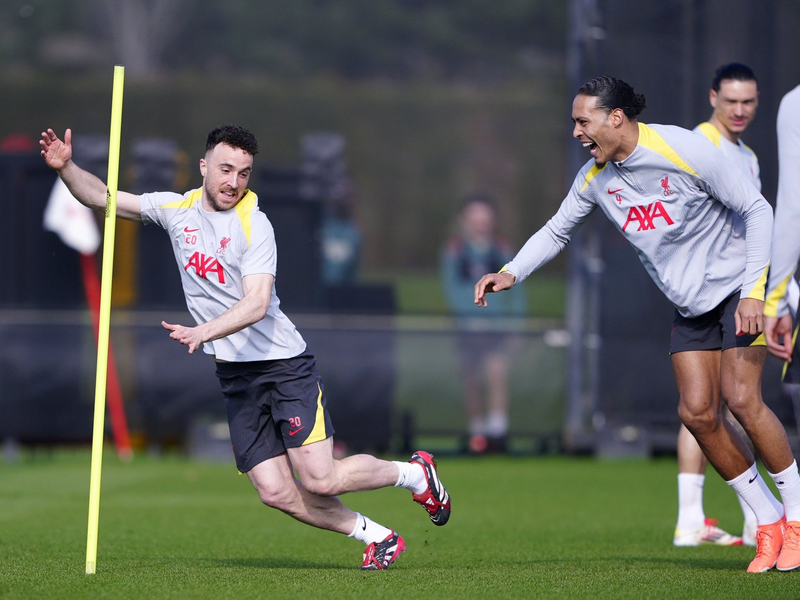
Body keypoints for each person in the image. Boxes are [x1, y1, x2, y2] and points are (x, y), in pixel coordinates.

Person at [39, 125, 451, 571]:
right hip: (236, 375)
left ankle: (414, 474)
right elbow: (101, 198)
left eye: (243, 173)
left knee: (319, 477)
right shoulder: (176, 209)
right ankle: (378, 537)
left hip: (283, 365)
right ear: (203, 167)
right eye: (226, 169)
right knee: (274, 492)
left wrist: (203, 332)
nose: (233, 182)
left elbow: (256, 304)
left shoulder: (255, 224)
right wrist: (66, 168)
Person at [473, 76, 800, 573]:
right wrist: (510, 271)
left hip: (738, 289)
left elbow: (757, 209)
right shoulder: (594, 177)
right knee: (696, 414)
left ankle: (797, 518)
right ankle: (768, 520)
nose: (578, 132)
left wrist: (756, 292)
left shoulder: (684, 147)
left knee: (741, 400)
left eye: (584, 121)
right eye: (575, 123)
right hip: (691, 305)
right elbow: (557, 229)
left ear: (616, 117)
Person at [673, 63, 763, 548]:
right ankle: (725, 518)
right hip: (708, 290)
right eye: (731, 100)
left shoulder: (744, 153)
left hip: (734, 289)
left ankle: (703, 519)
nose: (740, 109)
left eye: (748, 100)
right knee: (708, 407)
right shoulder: (699, 144)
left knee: (715, 406)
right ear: (713, 97)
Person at [440, 194, 526, 453]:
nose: (480, 222)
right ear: (464, 220)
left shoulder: (501, 249)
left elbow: (518, 291)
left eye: (485, 217)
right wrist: (470, 320)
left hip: (497, 327)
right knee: (471, 377)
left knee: (497, 372)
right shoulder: (454, 251)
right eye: (474, 217)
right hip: (466, 330)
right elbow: (452, 290)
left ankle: (498, 432)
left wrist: (515, 325)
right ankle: (477, 434)